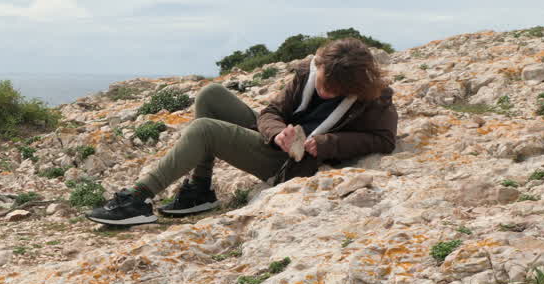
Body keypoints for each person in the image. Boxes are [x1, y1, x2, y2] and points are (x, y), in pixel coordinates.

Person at [86, 37, 398, 226]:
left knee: (204, 130)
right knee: (210, 94)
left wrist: (329, 144)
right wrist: (277, 133)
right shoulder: (308, 74)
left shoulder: (375, 99)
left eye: (335, 90)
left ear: (354, 86)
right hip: (278, 144)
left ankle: (138, 200)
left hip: (292, 164)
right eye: (323, 83)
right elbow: (271, 113)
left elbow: (383, 140)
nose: (325, 91)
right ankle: (200, 191)